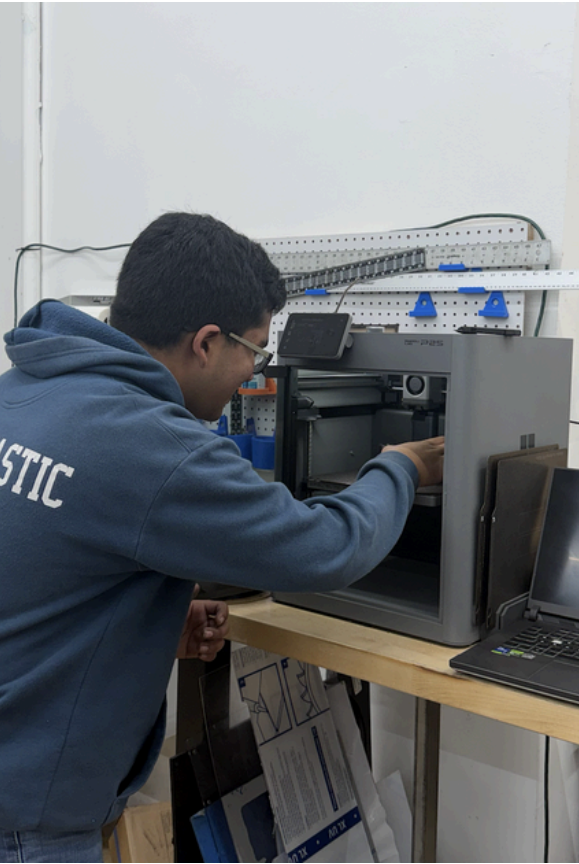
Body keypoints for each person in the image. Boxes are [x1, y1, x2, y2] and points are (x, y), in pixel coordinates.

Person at [0, 212, 445, 863]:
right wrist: (402, 468)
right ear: (207, 342)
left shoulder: (25, 392)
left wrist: (140, 624)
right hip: (28, 826)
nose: (254, 368)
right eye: (256, 349)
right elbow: (327, 547)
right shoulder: (150, 445)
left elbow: (40, 566)